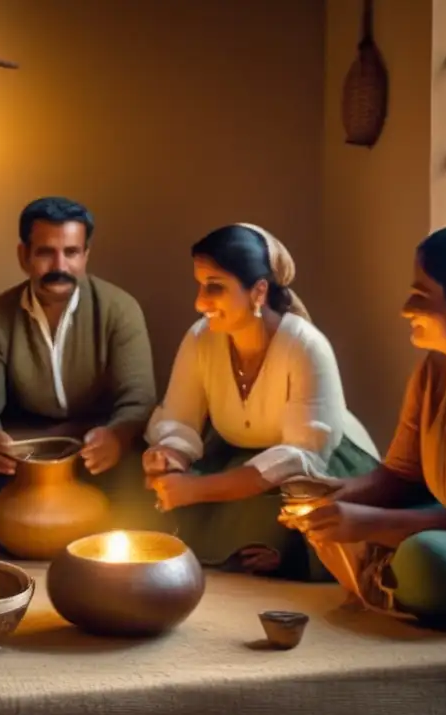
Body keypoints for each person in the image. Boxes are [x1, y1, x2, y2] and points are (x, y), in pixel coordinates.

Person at [283, 223, 446, 633]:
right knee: (332, 516)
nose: (405, 308)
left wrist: (367, 523)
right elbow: (401, 475)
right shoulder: (437, 367)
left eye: (421, 296)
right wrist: (333, 497)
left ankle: (409, 581)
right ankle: (395, 582)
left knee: (426, 558)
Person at [144, 223, 379, 581]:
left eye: (215, 287)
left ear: (258, 292)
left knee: (293, 516)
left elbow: (302, 455)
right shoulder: (200, 339)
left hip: (319, 468)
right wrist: (171, 454)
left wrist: (197, 489)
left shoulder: (305, 345)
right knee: (156, 503)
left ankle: (285, 553)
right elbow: (181, 419)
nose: (200, 301)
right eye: (200, 285)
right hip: (239, 457)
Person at [0, 196, 158, 527]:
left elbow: (139, 399)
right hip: (26, 458)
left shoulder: (120, 310)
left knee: (146, 486)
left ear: (86, 255)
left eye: (72, 252)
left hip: (97, 453)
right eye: (46, 252)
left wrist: (119, 435)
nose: (60, 266)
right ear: (24, 255)